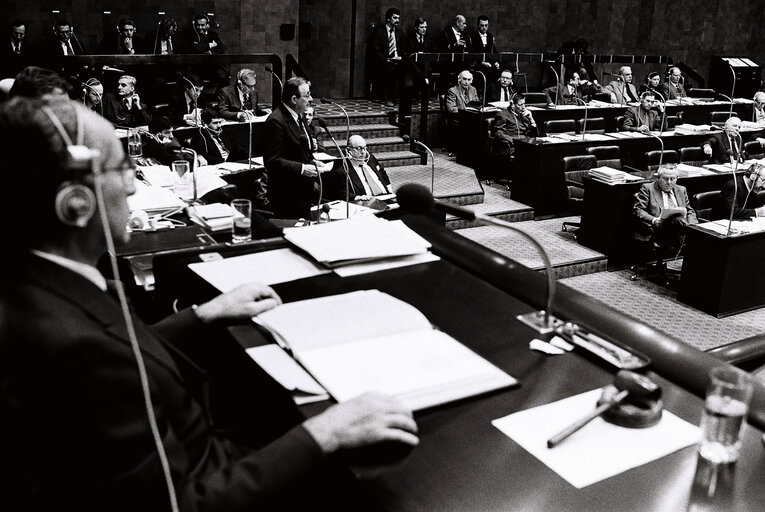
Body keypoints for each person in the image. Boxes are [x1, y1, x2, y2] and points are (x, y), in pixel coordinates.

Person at [0, 96, 418, 511]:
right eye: (120, 166)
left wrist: (201, 317)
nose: (131, 183)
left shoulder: (40, 284)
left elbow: (122, 353)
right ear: (76, 201)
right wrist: (324, 434)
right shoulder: (74, 351)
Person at [264, 77, 331, 219]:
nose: (311, 99)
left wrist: (312, 161)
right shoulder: (276, 121)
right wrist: (303, 168)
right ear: (294, 99)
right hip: (286, 194)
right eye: (307, 95)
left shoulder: (298, 116)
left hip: (303, 191)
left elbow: (299, 149)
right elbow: (272, 161)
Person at [633, 164, 698, 250]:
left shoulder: (682, 190)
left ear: (677, 178)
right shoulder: (648, 188)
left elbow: (689, 210)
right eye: (665, 179)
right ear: (658, 178)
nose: (669, 182)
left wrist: (693, 226)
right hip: (659, 228)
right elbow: (638, 210)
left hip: (681, 227)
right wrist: (653, 220)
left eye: (672, 179)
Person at [325, 134, 391, 201]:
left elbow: (382, 172)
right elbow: (341, 193)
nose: (363, 152)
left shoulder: (371, 158)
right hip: (366, 202)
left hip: (386, 197)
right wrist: (356, 198)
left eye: (365, 148)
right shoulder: (343, 169)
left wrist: (388, 186)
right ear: (349, 150)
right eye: (358, 149)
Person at [369, 7, 404, 106]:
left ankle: (401, 97)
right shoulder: (379, 31)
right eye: (395, 18)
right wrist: (387, 60)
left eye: (398, 18)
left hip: (398, 60)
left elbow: (403, 48)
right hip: (383, 61)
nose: (397, 20)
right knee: (391, 69)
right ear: (388, 19)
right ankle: (389, 98)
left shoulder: (399, 32)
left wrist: (401, 58)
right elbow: (376, 51)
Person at [183, 14, 228, 86]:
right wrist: (211, 45)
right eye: (198, 25)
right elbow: (196, 48)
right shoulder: (192, 36)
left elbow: (221, 48)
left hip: (213, 67)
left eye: (202, 25)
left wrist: (210, 52)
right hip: (199, 67)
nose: (200, 27)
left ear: (207, 25)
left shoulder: (213, 35)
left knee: (223, 76)